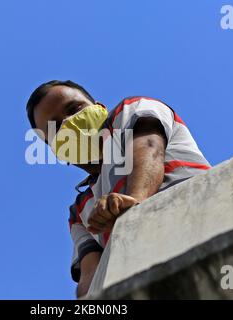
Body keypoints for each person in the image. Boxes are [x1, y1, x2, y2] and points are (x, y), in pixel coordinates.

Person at [26, 80, 211, 297]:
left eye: (74, 109)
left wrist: (134, 200)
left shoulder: (131, 110)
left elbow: (149, 145)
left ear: (99, 107)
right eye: (55, 128)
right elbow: (90, 274)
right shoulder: (79, 212)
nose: (68, 123)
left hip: (201, 220)